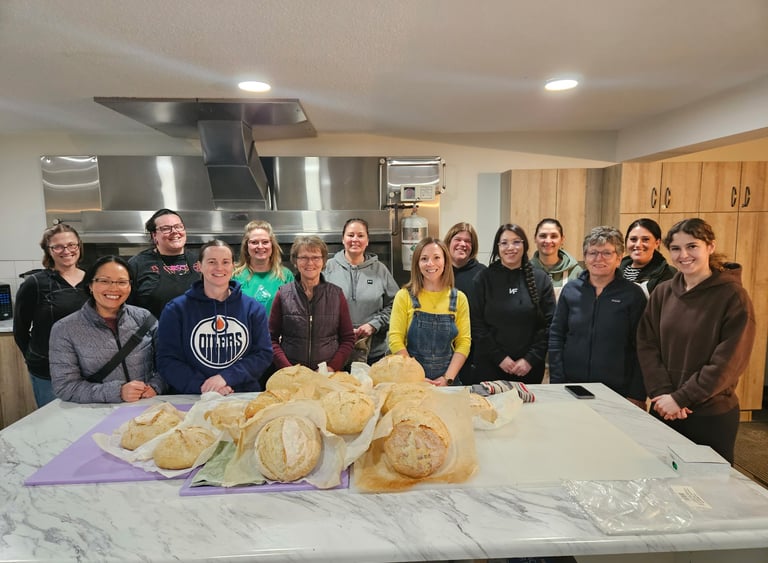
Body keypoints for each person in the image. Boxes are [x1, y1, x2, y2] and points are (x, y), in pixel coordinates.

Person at [637, 218, 756, 464]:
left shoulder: (733, 296)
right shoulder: (663, 292)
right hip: (664, 409)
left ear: (710, 247)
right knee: (661, 485)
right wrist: (663, 394)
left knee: (709, 492)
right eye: (676, 249)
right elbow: (647, 344)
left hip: (710, 413)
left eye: (692, 246)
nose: (684, 255)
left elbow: (728, 361)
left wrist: (681, 398)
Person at [549, 226, 647, 408]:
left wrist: (637, 393)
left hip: (616, 390)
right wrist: (557, 381)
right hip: (571, 386)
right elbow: (556, 337)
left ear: (619, 258)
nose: (598, 259)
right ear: (585, 257)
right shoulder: (570, 291)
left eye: (606, 253)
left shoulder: (633, 295)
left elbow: (641, 347)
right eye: (592, 253)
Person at [157, 240, 273, 394]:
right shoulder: (176, 310)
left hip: (241, 395)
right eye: (212, 262)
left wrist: (226, 378)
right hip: (193, 397)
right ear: (199, 266)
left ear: (233, 266)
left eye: (225, 262)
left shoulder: (253, 309)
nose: (219, 268)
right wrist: (205, 387)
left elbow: (262, 355)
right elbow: (167, 360)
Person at [49, 256, 165, 403]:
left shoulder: (144, 318)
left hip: (146, 408)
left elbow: (167, 361)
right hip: (97, 414)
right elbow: (65, 387)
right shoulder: (64, 329)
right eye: (104, 281)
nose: (114, 288)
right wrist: (117, 392)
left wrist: (156, 386)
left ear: (130, 286)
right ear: (90, 285)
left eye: (122, 282)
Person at [13, 224, 89, 407]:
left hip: (89, 368)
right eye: (58, 246)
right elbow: (20, 329)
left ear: (79, 246)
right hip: (49, 371)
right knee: (55, 425)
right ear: (48, 251)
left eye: (72, 245)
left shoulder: (93, 280)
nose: (67, 251)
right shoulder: (35, 284)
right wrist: (34, 358)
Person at [470, 224, 556, 385]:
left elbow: (549, 325)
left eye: (516, 242)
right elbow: (476, 325)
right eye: (504, 243)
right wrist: (500, 358)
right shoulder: (483, 279)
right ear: (497, 247)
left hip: (528, 369)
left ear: (525, 245)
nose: (510, 247)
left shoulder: (540, 279)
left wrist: (530, 359)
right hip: (490, 366)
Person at [388, 237, 471, 386]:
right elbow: (395, 340)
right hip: (412, 381)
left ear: (445, 262)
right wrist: (415, 377)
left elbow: (464, 343)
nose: (430, 264)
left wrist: (447, 378)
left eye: (436, 257)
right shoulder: (404, 296)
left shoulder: (459, 298)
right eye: (424, 259)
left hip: (448, 382)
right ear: (417, 264)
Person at [270, 236, 355, 372]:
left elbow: (348, 338)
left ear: (323, 261)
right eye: (303, 257)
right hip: (292, 376)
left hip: (327, 376)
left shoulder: (336, 295)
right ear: (295, 261)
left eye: (316, 257)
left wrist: (332, 367)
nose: (310, 263)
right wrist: (288, 370)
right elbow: (271, 339)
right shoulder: (283, 294)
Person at [324, 218, 399, 365]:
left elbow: (396, 306)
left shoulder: (380, 270)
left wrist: (374, 325)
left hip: (373, 353)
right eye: (350, 235)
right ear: (343, 239)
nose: (355, 239)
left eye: (360, 235)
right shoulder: (328, 268)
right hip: (335, 350)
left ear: (367, 240)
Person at [128, 208, 201, 320]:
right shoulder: (137, 264)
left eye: (178, 226)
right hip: (154, 334)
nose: (175, 231)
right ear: (154, 236)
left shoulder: (200, 260)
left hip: (197, 332)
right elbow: (127, 309)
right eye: (166, 229)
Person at [443, 222, 486, 382]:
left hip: (473, 352)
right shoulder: (437, 271)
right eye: (458, 239)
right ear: (448, 242)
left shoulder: (482, 274)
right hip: (441, 350)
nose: (462, 244)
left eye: (468, 241)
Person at [233, 219, 294, 316]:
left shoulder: (286, 275)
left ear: (272, 245)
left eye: (265, 242)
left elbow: (292, 312)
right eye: (254, 242)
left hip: (277, 331)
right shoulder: (234, 275)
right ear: (246, 246)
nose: (260, 247)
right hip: (245, 330)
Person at [619, 217, 676, 297]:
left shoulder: (668, 273)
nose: (638, 245)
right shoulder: (615, 269)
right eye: (633, 239)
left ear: (657, 243)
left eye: (645, 239)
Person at [530, 218, 583, 300]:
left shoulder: (576, 272)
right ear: (535, 239)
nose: (548, 241)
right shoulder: (526, 270)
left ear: (562, 239)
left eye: (554, 236)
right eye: (543, 236)